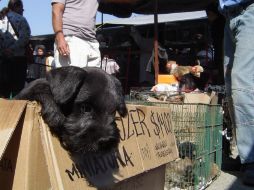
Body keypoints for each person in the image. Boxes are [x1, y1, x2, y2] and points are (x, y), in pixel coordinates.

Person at [219, 0, 254, 186]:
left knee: (243, 83)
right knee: (231, 86)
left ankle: (251, 159)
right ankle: (245, 155)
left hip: (250, 9)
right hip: (229, 16)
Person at [51, 0, 101, 68]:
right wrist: (60, 37)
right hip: (72, 40)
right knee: (71, 77)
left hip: (92, 41)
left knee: (94, 78)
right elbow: (56, 11)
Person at [0, 0, 31, 98]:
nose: (23, 10)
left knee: (3, 93)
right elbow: (24, 38)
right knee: (17, 93)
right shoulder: (21, 19)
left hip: (2, 60)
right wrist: (12, 49)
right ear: (17, 7)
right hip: (18, 60)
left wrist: (3, 51)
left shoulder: (1, 19)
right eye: (22, 8)